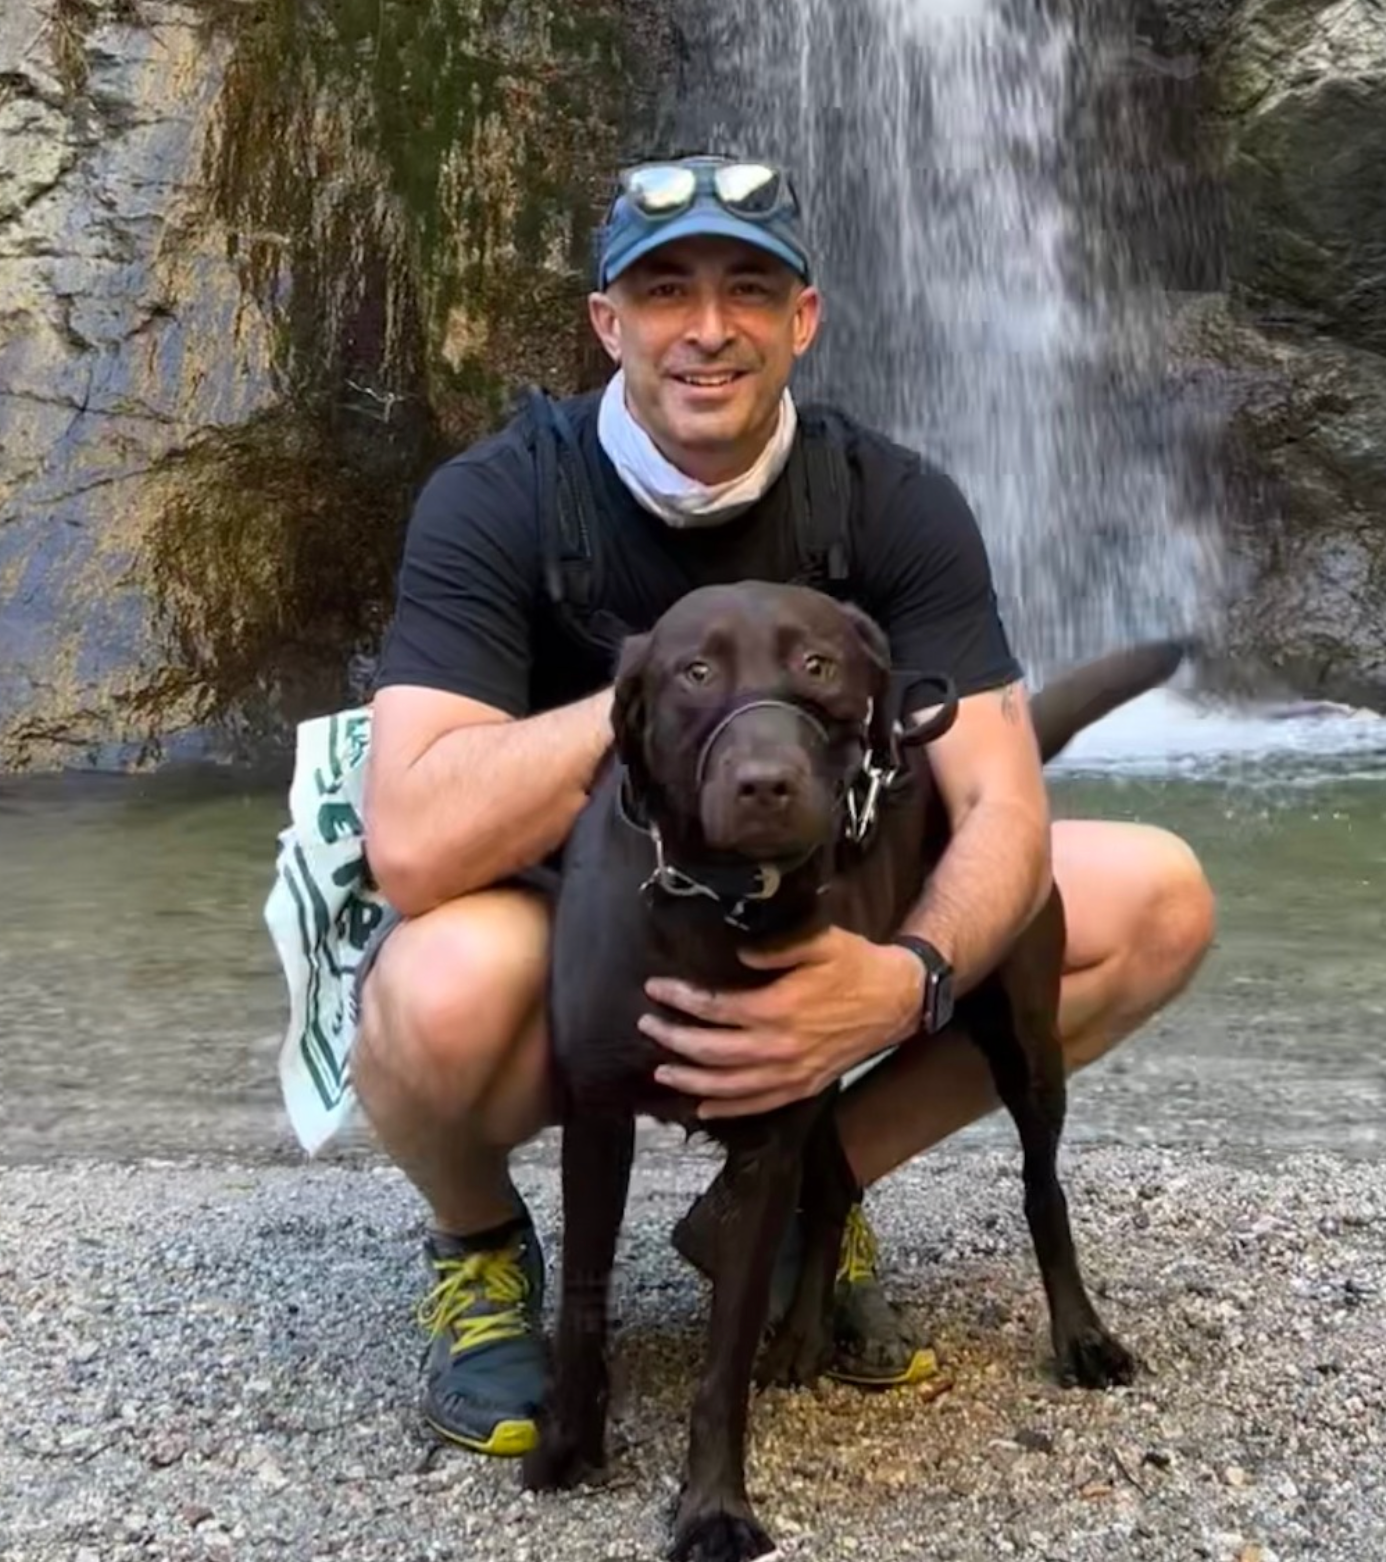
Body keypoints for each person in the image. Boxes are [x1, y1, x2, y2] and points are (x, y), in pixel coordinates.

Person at [352, 152, 1216, 1457]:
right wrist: (659, 692)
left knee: (1155, 897)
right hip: (564, 924)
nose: (708, 328)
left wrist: (909, 978)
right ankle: (478, 1247)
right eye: (665, 292)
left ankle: (810, 1187)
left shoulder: (891, 504)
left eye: (748, 290)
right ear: (606, 323)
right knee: (433, 995)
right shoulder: (500, 496)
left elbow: (1001, 803)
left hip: (823, 906)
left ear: (802, 319)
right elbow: (411, 843)